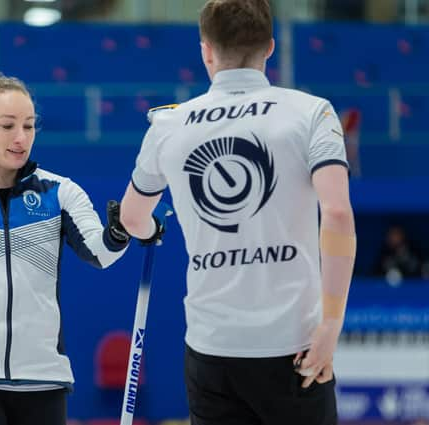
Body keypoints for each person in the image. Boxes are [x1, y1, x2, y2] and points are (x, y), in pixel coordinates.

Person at [119, 1, 356, 424]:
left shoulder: (169, 126)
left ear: (206, 50)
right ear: (270, 47)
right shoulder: (311, 112)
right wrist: (331, 326)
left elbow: (132, 220)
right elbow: (336, 213)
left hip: (214, 348)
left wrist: (152, 226)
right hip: (296, 346)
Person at [0, 74, 166, 425]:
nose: (20, 137)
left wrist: (120, 230)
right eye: (7, 125)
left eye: (28, 126)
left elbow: (101, 253)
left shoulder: (60, 192)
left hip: (43, 380)